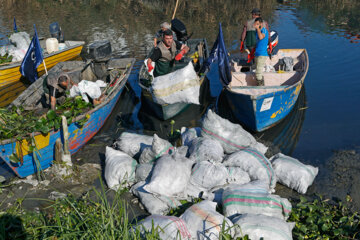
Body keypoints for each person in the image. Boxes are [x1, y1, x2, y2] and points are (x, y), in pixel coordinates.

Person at [253, 17, 269, 86]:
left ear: (261, 24)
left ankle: (261, 88)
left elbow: (261, 37)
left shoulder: (264, 31)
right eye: (255, 24)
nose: (256, 25)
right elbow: (257, 42)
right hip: (257, 53)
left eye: (257, 24)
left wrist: (258, 29)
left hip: (262, 55)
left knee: (258, 74)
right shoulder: (257, 32)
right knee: (257, 71)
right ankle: (262, 84)